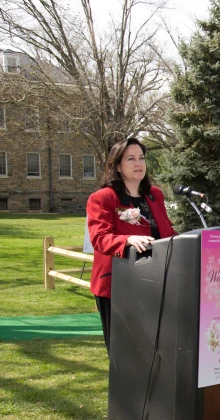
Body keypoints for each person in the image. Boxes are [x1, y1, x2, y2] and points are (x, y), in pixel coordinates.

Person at [86, 137, 177, 353]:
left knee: (151, 349)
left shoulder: (154, 195)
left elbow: (166, 232)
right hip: (117, 285)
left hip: (153, 281)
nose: (139, 163)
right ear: (117, 166)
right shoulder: (104, 198)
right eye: (131, 159)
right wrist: (126, 240)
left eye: (142, 158)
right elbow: (99, 237)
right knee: (124, 353)